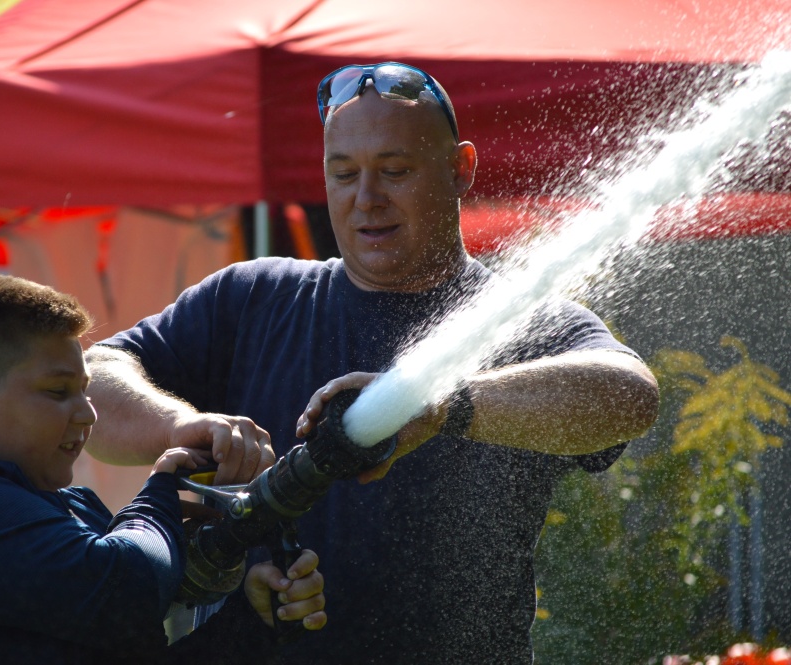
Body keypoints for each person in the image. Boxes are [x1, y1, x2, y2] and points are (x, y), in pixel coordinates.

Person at [82, 62, 660, 664]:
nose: (367, 199)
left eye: (396, 171)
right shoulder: (253, 296)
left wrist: (441, 405)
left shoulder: (517, 321)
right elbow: (93, 385)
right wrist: (181, 427)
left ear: (460, 169)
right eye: (344, 174)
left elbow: (630, 395)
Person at [0, 274, 326, 665]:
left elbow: (138, 642)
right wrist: (160, 492)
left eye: (84, 391)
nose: (87, 413)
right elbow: (128, 591)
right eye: (58, 392)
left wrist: (253, 621)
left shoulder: (69, 508)